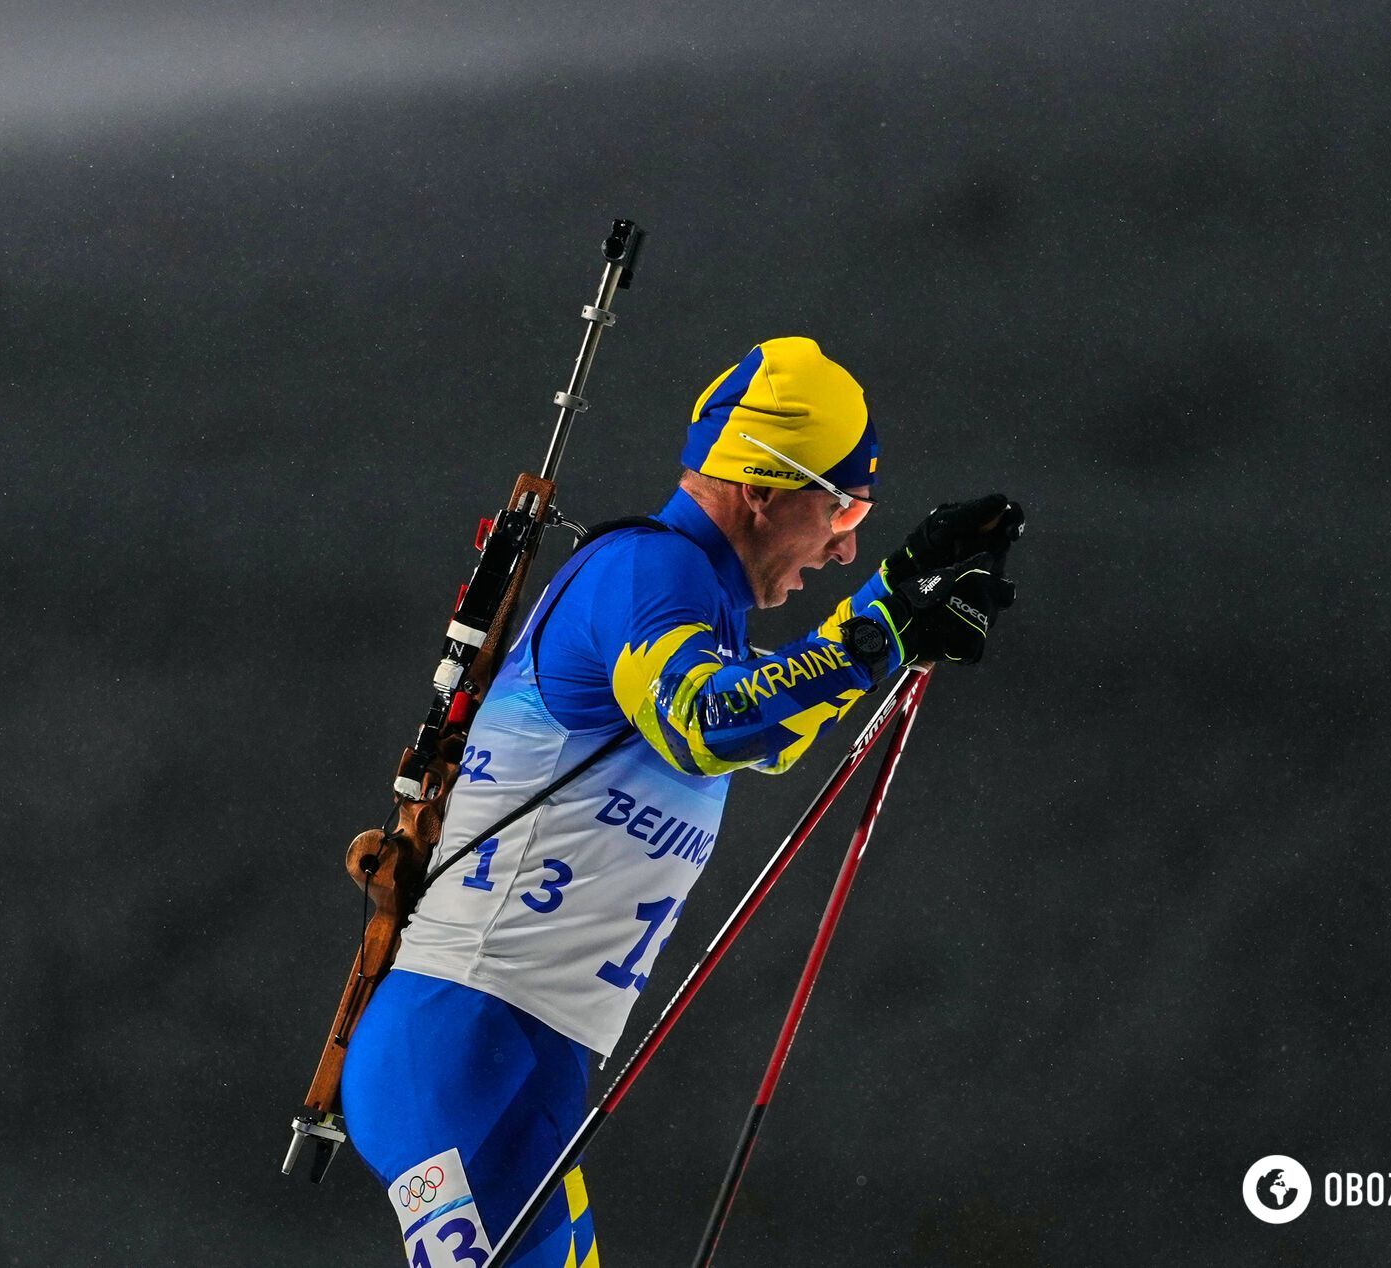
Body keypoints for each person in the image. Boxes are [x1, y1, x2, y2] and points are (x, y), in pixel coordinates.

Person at [340, 336, 1022, 1267]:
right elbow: (709, 723)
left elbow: (768, 730)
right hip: (463, 1049)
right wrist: (886, 624)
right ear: (762, 488)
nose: (848, 539)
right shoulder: (645, 572)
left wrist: (895, 608)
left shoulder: (703, 608)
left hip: (522, 1065)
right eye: (843, 505)